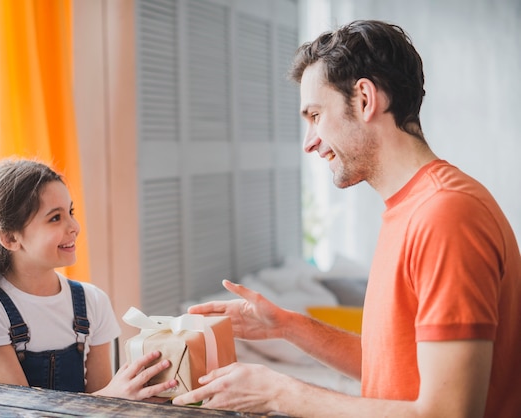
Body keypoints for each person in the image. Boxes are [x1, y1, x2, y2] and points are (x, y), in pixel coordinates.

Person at [172, 19, 521, 417]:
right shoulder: (412, 209)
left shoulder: (445, 214)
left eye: (315, 115)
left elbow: (449, 412)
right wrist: (286, 326)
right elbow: (394, 365)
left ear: (365, 99)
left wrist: (280, 395)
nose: (310, 142)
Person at [0, 158, 177, 398]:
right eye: (55, 218)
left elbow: (100, 404)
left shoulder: (92, 301)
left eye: (71, 212)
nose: (74, 226)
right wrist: (114, 396)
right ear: (11, 239)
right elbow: (21, 412)